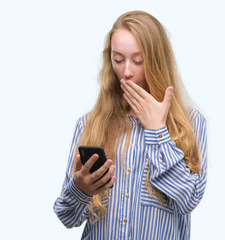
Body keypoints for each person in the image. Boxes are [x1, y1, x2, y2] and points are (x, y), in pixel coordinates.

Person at [53, 10, 208, 240]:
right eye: (118, 59)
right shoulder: (88, 124)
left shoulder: (191, 124)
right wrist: (81, 190)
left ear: (157, 61)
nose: (126, 71)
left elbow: (189, 200)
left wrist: (157, 132)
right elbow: (67, 217)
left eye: (138, 61)